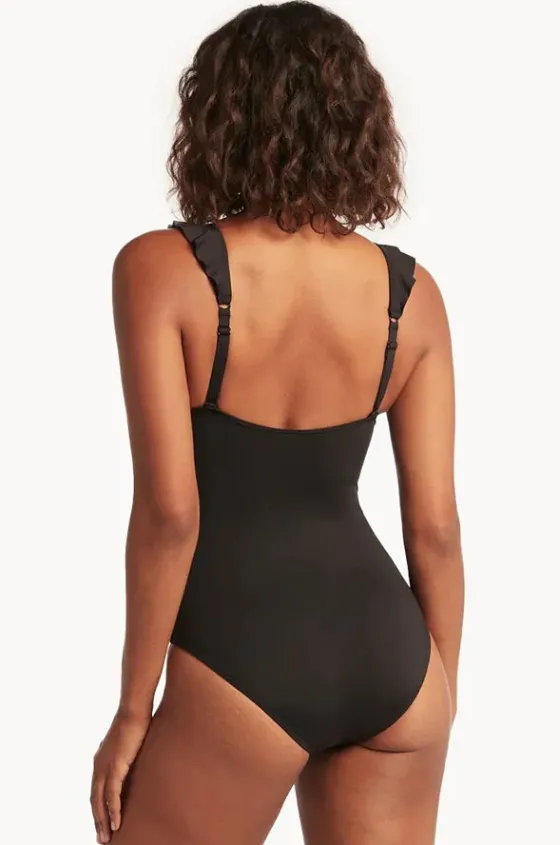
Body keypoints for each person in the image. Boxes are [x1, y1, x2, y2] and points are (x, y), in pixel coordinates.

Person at [90, 3, 464, 843]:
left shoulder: (162, 270)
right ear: (358, 124)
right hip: (391, 654)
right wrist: (439, 690)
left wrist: (133, 708)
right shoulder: (411, 296)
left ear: (218, 117)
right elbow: (436, 528)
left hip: (244, 650)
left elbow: (171, 514)